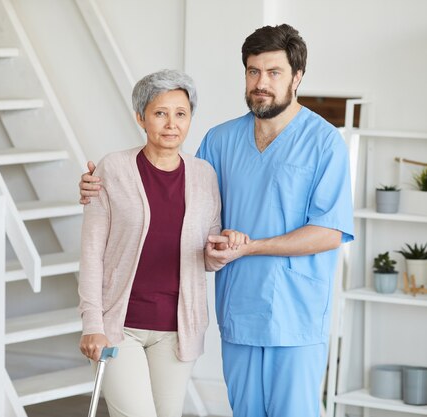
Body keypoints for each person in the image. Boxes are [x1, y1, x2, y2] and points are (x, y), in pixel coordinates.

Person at [79, 24, 354, 417]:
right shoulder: (219, 141)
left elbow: (330, 231)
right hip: (239, 309)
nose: (261, 82)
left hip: (296, 314)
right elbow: (180, 204)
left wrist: (254, 246)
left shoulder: (324, 142)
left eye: (274, 72)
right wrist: (95, 188)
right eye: (253, 71)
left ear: (297, 77)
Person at [77, 69, 248, 417]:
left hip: (177, 329)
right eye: (160, 113)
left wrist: (221, 251)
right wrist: (92, 324)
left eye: (181, 114)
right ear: (141, 117)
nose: (171, 124)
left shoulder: (204, 175)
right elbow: (92, 253)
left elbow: (206, 255)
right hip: (119, 327)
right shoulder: (112, 169)